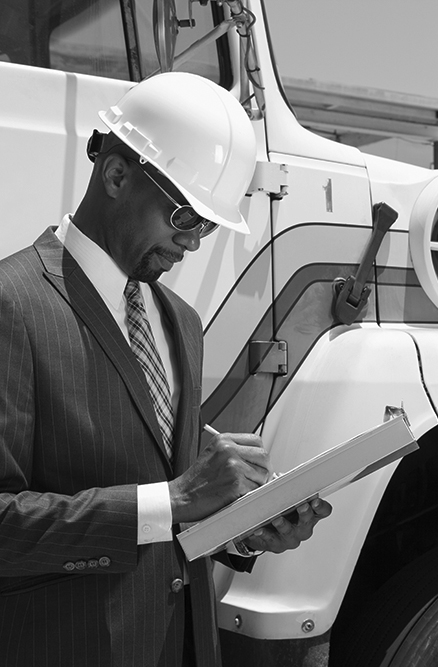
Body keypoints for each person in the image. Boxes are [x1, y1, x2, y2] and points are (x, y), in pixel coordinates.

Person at [0, 72, 332, 667]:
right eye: (186, 218)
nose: (196, 243)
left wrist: (240, 532)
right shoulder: (13, 304)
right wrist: (176, 497)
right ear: (117, 174)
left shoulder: (180, 321)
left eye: (209, 226)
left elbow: (170, 523)